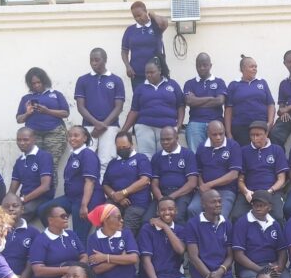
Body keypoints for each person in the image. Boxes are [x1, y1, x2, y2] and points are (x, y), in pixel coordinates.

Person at [38, 126, 106, 245]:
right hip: (71, 198)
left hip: (87, 199)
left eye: (76, 135)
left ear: (85, 138)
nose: (72, 138)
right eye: (69, 136)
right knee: (44, 210)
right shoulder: (74, 154)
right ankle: (60, 241)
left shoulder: (88, 155)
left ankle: (80, 256)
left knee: (79, 236)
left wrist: (84, 206)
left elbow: (90, 182)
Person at [75, 47, 126, 179]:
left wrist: (103, 125)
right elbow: (80, 107)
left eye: (97, 60)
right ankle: (88, 189)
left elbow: (119, 107)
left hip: (110, 127)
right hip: (88, 127)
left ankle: (103, 190)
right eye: (91, 60)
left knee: (106, 161)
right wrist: (96, 124)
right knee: (87, 162)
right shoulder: (82, 80)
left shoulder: (116, 80)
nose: (93, 63)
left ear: (105, 60)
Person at [121, 56, 184, 157]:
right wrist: (123, 131)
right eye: (147, 73)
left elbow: (181, 106)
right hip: (144, 126)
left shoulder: (173, 84)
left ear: (159, 71)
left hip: (167, 127)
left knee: (164, 156)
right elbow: (134, 111)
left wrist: (179, 125)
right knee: (146, 157)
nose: (149, 75)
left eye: (152, 72)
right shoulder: (140, 88)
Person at [29, 204, 88, 278]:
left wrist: (77, 269)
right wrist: (67, 270)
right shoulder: (40, 240)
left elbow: (84, 255)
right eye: (62, 216)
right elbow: (38, 270)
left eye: (67, 215)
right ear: (50, 220)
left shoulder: (71, 235)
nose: (66, 218)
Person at [15, 67, 69, 178]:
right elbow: (19, 119)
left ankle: (49, 190)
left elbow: (65, 113)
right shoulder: (26, 98)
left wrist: (47, 111)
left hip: (55, 134)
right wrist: (27, 113)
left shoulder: (56, 94)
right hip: (33, 136)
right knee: (33, 165)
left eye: (38, 82)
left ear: (44, 81)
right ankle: (35, 189)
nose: (36, 85)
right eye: (33, 83)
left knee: (51, 166)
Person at [232, 121, 288, 224]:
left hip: (271, 192)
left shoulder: (277, 150)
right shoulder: (244, 151)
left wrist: (270, 191)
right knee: (236, 216)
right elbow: (240, 179)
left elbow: (281, 179)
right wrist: (246, 192)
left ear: (266, 134)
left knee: (278, 218)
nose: (255, 138)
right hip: (250, 193)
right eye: (252, 135)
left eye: (258, 135)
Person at [188, 120, 242, 220]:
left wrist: (209, 185)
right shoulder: (202, 147)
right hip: (205, 190)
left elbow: (234, 174)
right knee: (193, 209)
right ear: (208, 134)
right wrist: (202, 186)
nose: (218, 137)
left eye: (221, 134)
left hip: (226, 190)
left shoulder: (233, 146)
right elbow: (198, 171)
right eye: (214, 134)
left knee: (220, 216)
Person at [102, 131, 152, 235]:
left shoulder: (141, 158)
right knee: (105, 219)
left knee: (127, 230)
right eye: (119, 148)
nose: (122, 150)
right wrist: (115, 196)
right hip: (116, 201)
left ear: (131, 144)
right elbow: (105, 184)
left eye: (125, 147)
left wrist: (123, 193)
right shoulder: (112, 163)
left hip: (137, 203)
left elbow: (145, 180)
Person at [147, 126, 198, 225]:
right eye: (162, 140)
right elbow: (154, 183)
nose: (165, 142)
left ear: (177, 138)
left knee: (176, 218)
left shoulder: (187, 154)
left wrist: (171, 197)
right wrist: (161, 198)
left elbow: (192, 183)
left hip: (182, 194)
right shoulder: (157, 157)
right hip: (162, 195)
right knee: (147, 219)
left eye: (168, 139)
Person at [225, 56, 275, 146]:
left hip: (261, 126)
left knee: (261, 152)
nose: (255, 69)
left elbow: (270, 104)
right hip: (240, 127)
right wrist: (228, 132)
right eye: (252, 66)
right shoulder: (234, 85)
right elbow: (228, 109)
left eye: (256, 67)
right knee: (243, 152)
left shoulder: (262, 82)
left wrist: (270, 123)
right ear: (243, 68)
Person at [183, 53, 227, 152]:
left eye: (205, 65)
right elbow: (189, 101)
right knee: (196, 154)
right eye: (199, 65)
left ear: (210, 65)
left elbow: (220, 101)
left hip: (216, 122)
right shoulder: (189, 83)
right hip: (195, 123)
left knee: (218, 153)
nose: (202, 68)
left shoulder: (219, 82)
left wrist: (197, 100)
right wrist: (211, 98)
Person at [8, 127, 54, 221]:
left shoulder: (44, 156)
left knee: (14, 216)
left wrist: (23, 200)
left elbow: (45, 187)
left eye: (25, 140)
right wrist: (6, 203)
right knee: (1, 215)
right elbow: (12, 189)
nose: (21, 143)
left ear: (34, 139)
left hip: (41, 199)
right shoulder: (19, 161)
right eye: (19, 140)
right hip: (24, 199)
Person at [121, 1, 169, 90]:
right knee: (140, 97)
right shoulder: (130, 30)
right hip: (137, 74)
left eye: (139, 15)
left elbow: (165, 23)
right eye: (135, 16)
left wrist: (153, 15)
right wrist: (127, 66)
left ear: (145, 12)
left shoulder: (155, 26)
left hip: (156, 74)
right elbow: (124, 50)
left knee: (157, 96)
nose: (137, 18)